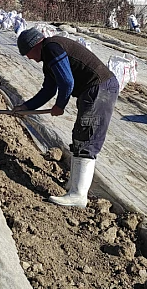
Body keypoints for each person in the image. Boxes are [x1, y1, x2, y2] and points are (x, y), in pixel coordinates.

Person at [13, 28, 119, 208]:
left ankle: (78, 195)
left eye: (28, 54)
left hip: (100, 88)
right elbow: (48, 89)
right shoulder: (48, 57)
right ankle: (74, 185)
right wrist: (26, 107)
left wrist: (60, 105)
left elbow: (67, 82)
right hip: (93, 89)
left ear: (35, 45)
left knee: (87, 137)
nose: (29, 58)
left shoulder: (52, 47)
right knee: (80, 135)